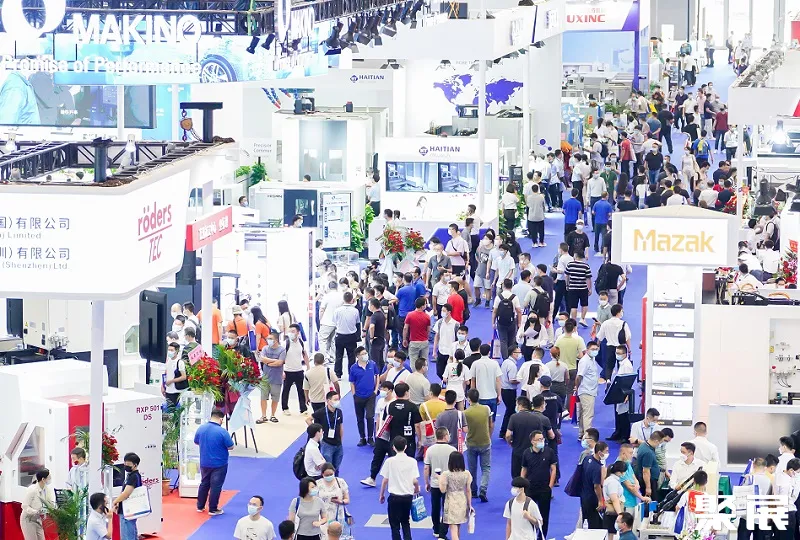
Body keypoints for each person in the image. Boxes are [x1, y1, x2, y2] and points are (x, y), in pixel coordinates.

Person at [379, 436, 421, 540]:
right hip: (407, 496)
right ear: (406, 447)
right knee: (406, 522)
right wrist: (416, 489)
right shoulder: (412, 461)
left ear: (393, 447)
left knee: (394, 525)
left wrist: (382, 495)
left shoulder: (389, 461)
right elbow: (415, 480)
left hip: (394, 497)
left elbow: (385, 480)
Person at [195, 409, 235, 515]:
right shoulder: (222, 432)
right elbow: (231, 446)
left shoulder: (201, 428)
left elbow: (196, 441)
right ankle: (213, 508)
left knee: (204, 483)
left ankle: (200, 506)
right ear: (221, 419)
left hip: (204, 462)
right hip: (219, 463)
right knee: (216, 486)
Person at [520, 430, 556, 536]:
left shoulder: (549, 452)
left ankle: (542, 536)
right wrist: (522, 485)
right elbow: (524, 469)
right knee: (529, 514)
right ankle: (530, 536)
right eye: (539, 439)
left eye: (542, 439)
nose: (542, 441)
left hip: (544, 488)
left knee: (544, 515)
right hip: (530, 488)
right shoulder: (526, 453)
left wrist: (550, 485)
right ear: (532, 441)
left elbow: (553, 469)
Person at [425, 427, 457, 539]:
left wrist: (427, 482)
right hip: (448, 484)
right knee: (447, 508)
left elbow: (426, 468)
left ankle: (436, 529)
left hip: (435, 483)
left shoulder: (430, 450)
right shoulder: (452, 450)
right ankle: (443, 532)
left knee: (435, 507)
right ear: (445, 436)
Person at [506, 396, 549, 478]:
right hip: (532, 452)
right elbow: (540, 437)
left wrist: (510, 442)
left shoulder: (514, 417)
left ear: (520, 405)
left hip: (518, 451)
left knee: (516, 476)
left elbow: (508, 435)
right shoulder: (536, 418)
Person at [463, 389, 492, 502]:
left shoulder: (466, 413)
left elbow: (465, 429)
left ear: (468, 399)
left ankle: (473, 490)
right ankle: (483, 489)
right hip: (485, 442)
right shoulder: (486, 409)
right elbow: (490, 424)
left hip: (471, 443)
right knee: (486, 468)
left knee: (472, 468)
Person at [306, 391, 344, 474]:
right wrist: (315, 431)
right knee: (327, 469)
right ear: (329, 401)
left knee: (336, 467)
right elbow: (308, 419)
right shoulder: (321, 412)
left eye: (338, 399)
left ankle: (335, 480)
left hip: (338, 444)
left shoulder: (339, 412)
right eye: (335, 399)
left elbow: (341, 427)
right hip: (327, 444)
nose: (338, 401)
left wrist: (341, 441)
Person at [440, 451, 473, 540]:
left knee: (453, 528)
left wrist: (440, 479)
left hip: (451, 501)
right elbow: (468, 490)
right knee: (458, 526)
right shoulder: (467, 474)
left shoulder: (446, 474)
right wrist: (470, 505)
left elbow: (443, 490)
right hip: (462, 500)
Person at [350, 347, 378, 446]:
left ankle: (370, 438)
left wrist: (375, 390)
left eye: (366, 353)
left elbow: (377, 375)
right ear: (358, 356)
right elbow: (352, 382)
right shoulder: (353, 368)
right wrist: (354, 394)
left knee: (370, 417)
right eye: (363, 354)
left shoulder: (372, 364)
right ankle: (362, 438)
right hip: (358, 396)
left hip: (370, 395)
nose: (366, 355)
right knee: (360, 418)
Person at [387, 382, 423, 458]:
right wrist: (420, 440)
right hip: (408, 440)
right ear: (406, 393)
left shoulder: (391, 405)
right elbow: (417, 425)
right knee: (409, 460)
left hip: (394, 439)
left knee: (394, 460)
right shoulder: (412, 406)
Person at [596, 305, 631, 380]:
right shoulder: (623, 324)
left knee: (609, 366)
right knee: (621, 366)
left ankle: (608, 380)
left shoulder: (605, 323)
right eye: (621, 311)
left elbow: (600, 337)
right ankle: (620, 381)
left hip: (610, 347)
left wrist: (597, 346)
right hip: (621, 348)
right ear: (618, 312)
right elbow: (627, 337)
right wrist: (629, 349)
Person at [607, 345, 634, 442]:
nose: (617, 355)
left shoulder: (626, 365)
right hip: (618, 392)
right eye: (616, 353)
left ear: (625, 354)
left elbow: (628, 380)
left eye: (619, 353)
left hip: (624, 393)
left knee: (623, 415)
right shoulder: (621, 363)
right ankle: (618, 433)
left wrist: (626, 395)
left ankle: (625, 436)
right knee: (618, 414)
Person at [554, 320, 586, 400]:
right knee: (571, 392)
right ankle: (570, 408)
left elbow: (554, 352)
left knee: (560, 389)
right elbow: (581, 355)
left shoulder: (559, 339)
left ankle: (561, 406)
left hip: (561, 368)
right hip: (572, 368)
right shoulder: (578, 339)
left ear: (564, 328)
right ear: (573, 329)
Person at [257, 330, 285, 424]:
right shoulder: (265, 348)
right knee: (263, 398)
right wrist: (274, 361)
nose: (268, 340)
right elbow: (262, 359)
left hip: (277, 378)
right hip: (265, 378)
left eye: (270, 338)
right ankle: (263, 415)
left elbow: (280, 362)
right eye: (268, 338)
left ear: (276, 340)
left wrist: (268, 362)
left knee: (275, 398)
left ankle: (273, 415)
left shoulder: (282, 350)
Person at [112, 453, 143, 539]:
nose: (125, 465)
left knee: (127, 535)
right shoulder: (131, 475)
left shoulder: (134, 476)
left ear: (135, 465)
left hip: (128, 510)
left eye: (128, 464)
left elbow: (126, 493)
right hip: (128, 509)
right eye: (125, 463)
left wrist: (115, 501)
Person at [579, 441, 608, 530]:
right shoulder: (597, 467)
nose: (607, 453)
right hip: (592, 500)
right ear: (599, 453)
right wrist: (600, 500)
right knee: (595, 525)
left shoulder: (587, 459)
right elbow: (596, 486)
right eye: (606, 451)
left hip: (584, 496)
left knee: (586, 521)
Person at [471, 343, 503, 422]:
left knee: (480, 420)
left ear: (480, 351)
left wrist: (472, 395)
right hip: (492, 397)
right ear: (489, 352)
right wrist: (499, 395)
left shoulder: (475, 364)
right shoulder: (495, 363)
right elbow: (498, 380)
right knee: (491, 420)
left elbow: (473, 381)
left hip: (480, 397)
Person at [282, 324, 309, 416]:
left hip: (299, 370)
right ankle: (285, 408)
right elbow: (281, 358)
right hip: (287, 371)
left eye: (293, 331)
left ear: (298, 332)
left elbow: (305, 355)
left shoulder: (301, 342)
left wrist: (308, 367)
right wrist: (282, 371)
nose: (291, 333)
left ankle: (303, 408)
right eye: (289, 331)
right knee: (286, 390)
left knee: (301, 390)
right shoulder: (285, 343)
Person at [576, 340, 600, 438]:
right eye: (593, 349)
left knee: (583, 413)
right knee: (588, 415)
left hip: (590, 390)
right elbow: (579, 376)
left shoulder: (592, 359)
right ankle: (588, 437)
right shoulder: (584, 361)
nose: (595, 351)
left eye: (596, 349)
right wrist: (576, 388)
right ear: (587, 349)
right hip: (586, 391)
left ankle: (582, 433)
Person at [316, 463, 351, 533]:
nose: (329, 476)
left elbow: (347, 500)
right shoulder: (317, 484)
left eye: (331, 474)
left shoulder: (340, 482)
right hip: (323, 517)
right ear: (322, 474)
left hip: (339, 515)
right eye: (327, 475)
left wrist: (340, 501)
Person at [493, 278, 522, 359]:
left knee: (503, 340)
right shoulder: (514, 297)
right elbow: (519, 311)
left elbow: (494, 311)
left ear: (503, 286)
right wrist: (519, 323)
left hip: (501, 321)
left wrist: (493, 322)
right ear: (511, 286)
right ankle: (511, 357)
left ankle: (505, 358)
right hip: (512, 321)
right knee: (511, 340)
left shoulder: (498, 297)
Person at [20, 469, 52, 540]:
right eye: (49, 477)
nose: (50, 479)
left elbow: (49, 502)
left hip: (38, 519)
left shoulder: (46, 489)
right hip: (28, 519)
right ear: (43, 479)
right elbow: (24, 506)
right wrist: (35, 511)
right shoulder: (32, 490)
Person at [565, 250, 592, 327]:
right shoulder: (586, 266)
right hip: (583, 288)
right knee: (584, 304)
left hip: (572, 288)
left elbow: (566, 276)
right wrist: (589, 288)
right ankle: (582, 319)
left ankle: (574, 322)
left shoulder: (570, 264)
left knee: (573, 306)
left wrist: (567, 285)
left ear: (576, 255)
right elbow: (588, 278)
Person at [433, 302, 460, 379]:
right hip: (441, 351)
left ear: (449, 312)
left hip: (451, 353)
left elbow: (458, 339)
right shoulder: (439, 322)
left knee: (451, 373)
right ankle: (445, 381)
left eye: (444, 311)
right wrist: (434, 350)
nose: (442, 312)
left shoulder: (456, 324)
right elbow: (437, 336)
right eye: (442, 310)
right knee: (439, 372)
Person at [633, 431, 663, 499]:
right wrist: (648, 487)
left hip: (647, 479)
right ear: (656, 441)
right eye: (660, 443)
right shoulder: (648, 452)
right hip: (649, 481)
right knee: (651, 500)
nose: (659, 445)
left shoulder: (644, 445)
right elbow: (646, 471)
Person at [318, 281, 343, 360]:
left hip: (326, 322)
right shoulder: (341, 296)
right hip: (337, 322)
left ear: (328, 287)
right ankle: (333, 357)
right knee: (333, 340)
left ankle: (323, 358)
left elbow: (322, 309)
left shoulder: (327, 296)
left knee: (322, 340)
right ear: (337, 287)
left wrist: (320, 319)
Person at [403, 297, 430, 365]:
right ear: (422, 306)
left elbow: (405, 328)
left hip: (414, 341)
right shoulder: (427, 316)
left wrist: (404, 339)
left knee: (413, 361)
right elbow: (428, 330)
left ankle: (414, 372)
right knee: (424, 361)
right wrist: (426, 337)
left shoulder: (410, 315)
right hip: (424, 341)